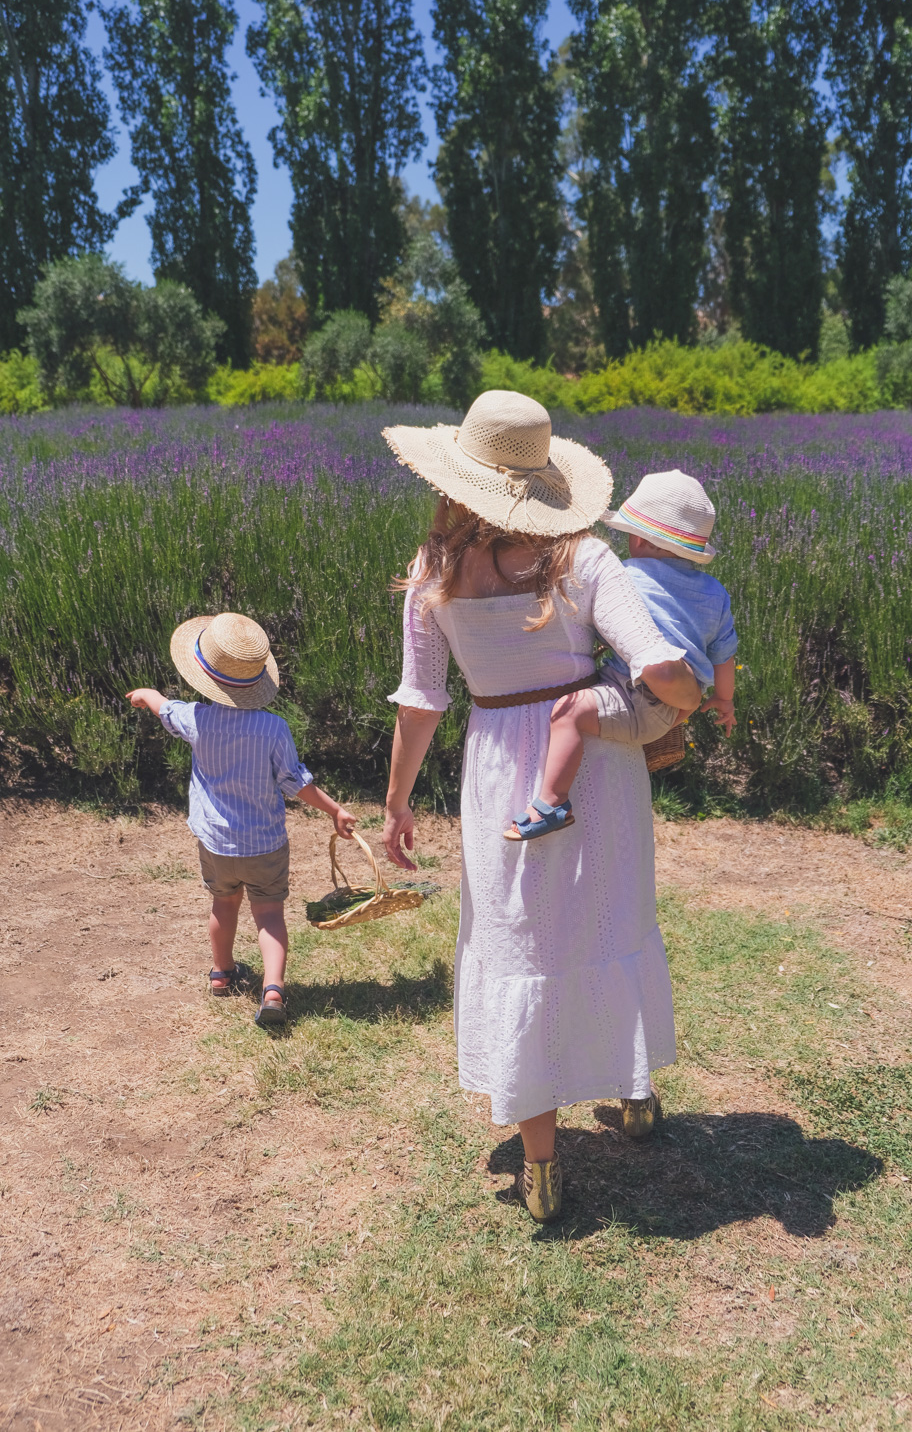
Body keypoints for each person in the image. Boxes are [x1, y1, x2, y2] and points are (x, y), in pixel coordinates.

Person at [381, 390, 701, 1222]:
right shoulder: (585, 559)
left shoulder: (433, 574)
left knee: (520, 941)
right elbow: (656, 661)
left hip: (496, 766)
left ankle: (543, 1170)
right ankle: (631, 1097)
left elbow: (420, 703)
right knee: (607, 920)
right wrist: (685, 688)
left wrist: (396, 802)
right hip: (593, 761)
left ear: (455, 479)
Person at [127, 611, 356, 1027]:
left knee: (223, 904)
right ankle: (272, 992)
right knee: (268, 914)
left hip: (215, 843)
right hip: (264, 843)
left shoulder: (198, 719)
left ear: (203, 675)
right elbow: (295, 783)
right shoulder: (273, 729)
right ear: (257, 681)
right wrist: (335, 810)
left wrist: (147, 693)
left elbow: (166, 709)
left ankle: (222, 974)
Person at [505, 469, 738, 841]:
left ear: (642, 541)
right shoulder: (714, 593)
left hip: (638, 696)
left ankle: (552, 804)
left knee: (569, 713)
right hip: (676, 702)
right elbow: (724, 655)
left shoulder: (626, 576)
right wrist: (724, 700)